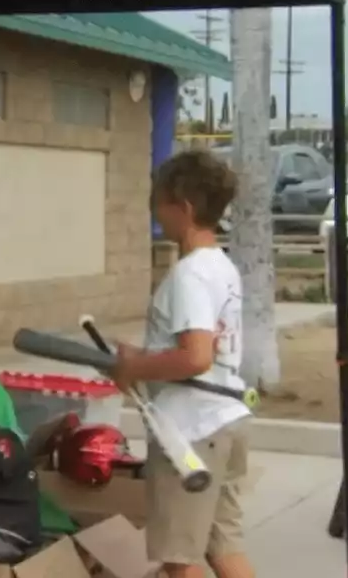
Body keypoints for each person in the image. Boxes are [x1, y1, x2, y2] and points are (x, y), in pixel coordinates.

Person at [108, 150, 254, 578]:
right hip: (225, 422)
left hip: (190, 435)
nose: (155, 212)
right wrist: (140, 361)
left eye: (159, 202)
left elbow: (195, 356)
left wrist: (134, 367)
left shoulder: (189, 275)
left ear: (184, 207)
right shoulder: (222, 267)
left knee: (180, 559)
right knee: (223, 545)